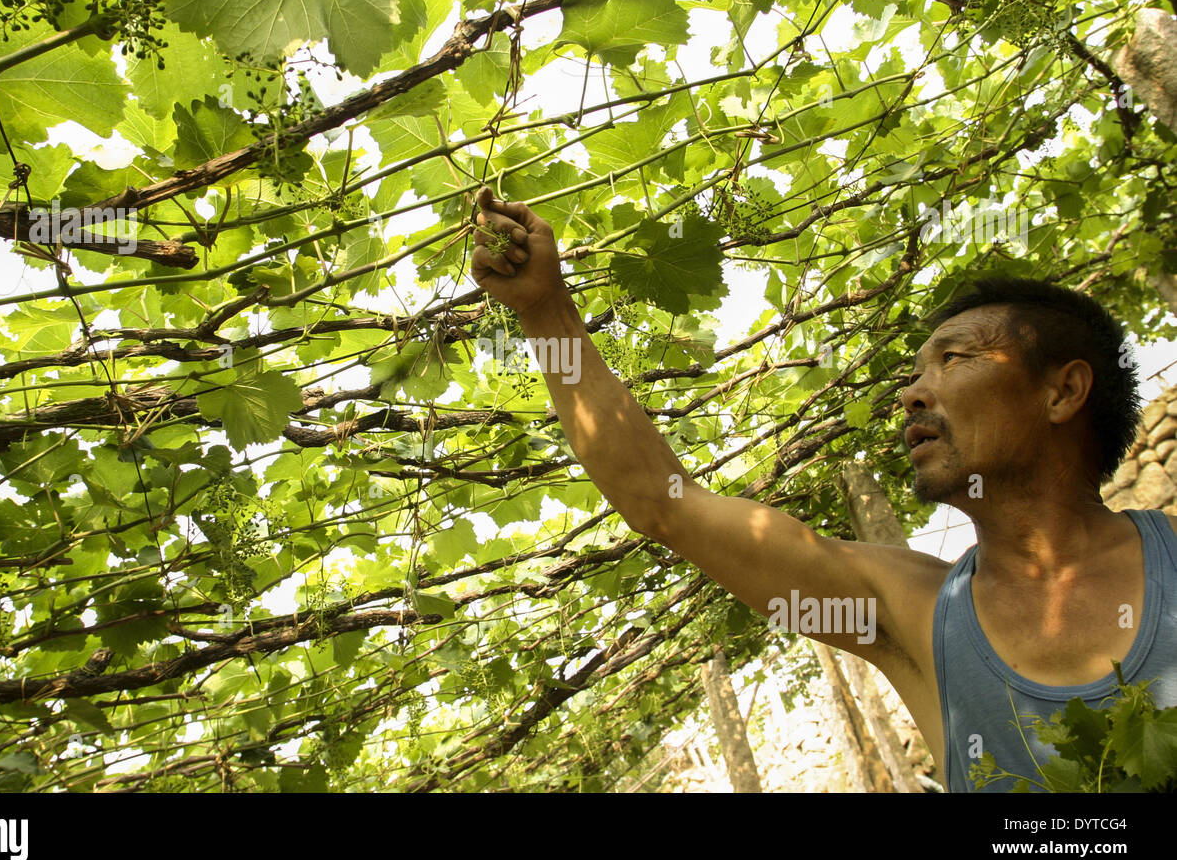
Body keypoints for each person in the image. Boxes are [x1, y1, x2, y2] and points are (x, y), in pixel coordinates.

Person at [468, 186, 1177, 792]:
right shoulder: (907, 615)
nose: (910, 392)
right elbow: (663, 501)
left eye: (954, 358)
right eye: (916, 371)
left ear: (1064, 391)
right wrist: (545, 312)